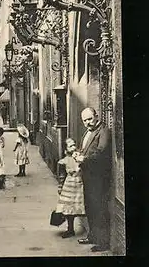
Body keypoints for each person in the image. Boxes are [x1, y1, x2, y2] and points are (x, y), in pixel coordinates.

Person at [74, 107, 112, 252]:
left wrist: (84, 158)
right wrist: (78, 154)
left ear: (96, 116)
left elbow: (101, 152)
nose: (88, 123)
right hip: (88, 176)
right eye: (85, 120)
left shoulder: (103, 131)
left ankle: (103, 242)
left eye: (90, 119)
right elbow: (84, 148)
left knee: (99, 209)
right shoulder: (87, 132)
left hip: (98, 178)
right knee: (90, 208)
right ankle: (93, 236)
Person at [55, 138, 86, 238]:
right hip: (69, 185)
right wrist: (60, 188)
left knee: (80, 206)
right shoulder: (64, 161)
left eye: (74, 145)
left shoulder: (79, 156)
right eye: (70, 146)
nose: (73, 147)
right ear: (65, 149)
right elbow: (61, 176)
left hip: (80, 184)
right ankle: (70, 229)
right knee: (68, 208)